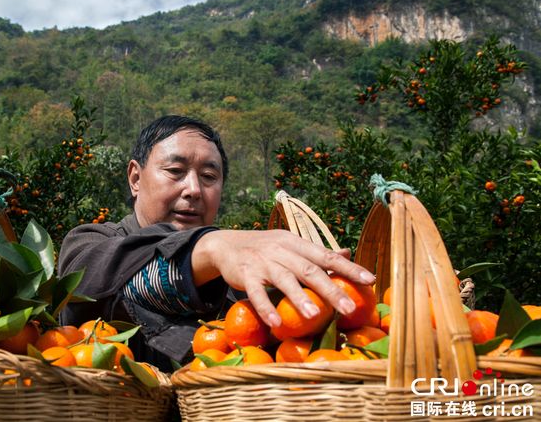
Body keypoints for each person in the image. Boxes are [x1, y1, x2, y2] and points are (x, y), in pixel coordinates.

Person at [58, 115, 375, 371]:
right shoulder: (90, 243)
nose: (193, 189)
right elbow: (93, 282)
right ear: (135, 178)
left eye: (209, 177)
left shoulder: (241, 279)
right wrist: (210, 248)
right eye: (175, 171)